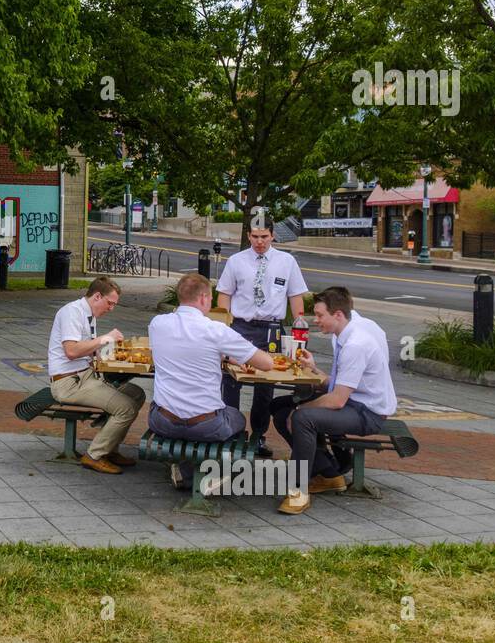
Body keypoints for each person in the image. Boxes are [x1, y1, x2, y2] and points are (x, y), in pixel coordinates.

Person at [275, 286, 397, 515]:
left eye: (320, 315)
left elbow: (337, 400)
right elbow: (339, 385)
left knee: (302, 417)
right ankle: (329, 474)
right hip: (354, 401)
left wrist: (300, 409)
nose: (316, 320)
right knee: (280, 407)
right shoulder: (348, 333)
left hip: (368, 413)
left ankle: (298, 493)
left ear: (338, 315)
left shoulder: (355, 344)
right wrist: (314, 370)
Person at [149, 273, 275, 488]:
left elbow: (187, 347)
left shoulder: (157, 324)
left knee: (163, 404)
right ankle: (217, 473)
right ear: (205, 298)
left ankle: (186, 471)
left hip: (162, 422)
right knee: (236, 417)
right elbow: (266, 363)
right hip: (206, 425)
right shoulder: (216, 330)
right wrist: (230, 354)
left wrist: (223, 354)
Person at [216, 213, 308, 457]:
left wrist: (300, 323)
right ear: (248, 236)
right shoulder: (236, 261)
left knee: (265, 384)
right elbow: (224, 294)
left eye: (264, 237)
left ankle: (258, 436)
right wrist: (222, 326)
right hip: (241, 326)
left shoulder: (286, 262)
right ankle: (231, 432)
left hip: (271, 329)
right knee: (231, 380)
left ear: (273, 235)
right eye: (255, 237)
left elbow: (296, 295)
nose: (259, 242)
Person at [47, 276, 146, 475]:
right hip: (69, 383)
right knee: (125, 408)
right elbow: (72, 351)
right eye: (110, 303)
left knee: (137, 394)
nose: (111, 309)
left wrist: (113, 353)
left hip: (85, 376)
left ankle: (110, 448)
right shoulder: (72, 312)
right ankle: (95, 455)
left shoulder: (88, 314)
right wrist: (104, 339)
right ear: (97, 296)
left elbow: (88, 350)